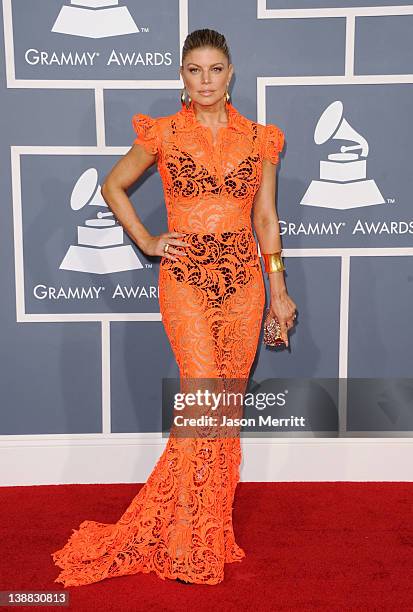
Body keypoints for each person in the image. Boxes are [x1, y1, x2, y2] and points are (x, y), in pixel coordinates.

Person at [51, 28, 297, 587]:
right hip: (184, 276)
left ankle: (205, 531)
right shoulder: (162, 133)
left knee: (222, 411)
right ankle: (184, 536)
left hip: (243, 281)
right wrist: (146, 240)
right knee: (202, 393)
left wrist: (278, 286)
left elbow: (265, 217)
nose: (205, 81)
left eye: (214, 69)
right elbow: (114, 186)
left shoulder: (262, 139)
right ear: (181, 76)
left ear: (231, 73)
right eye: (194, 70)